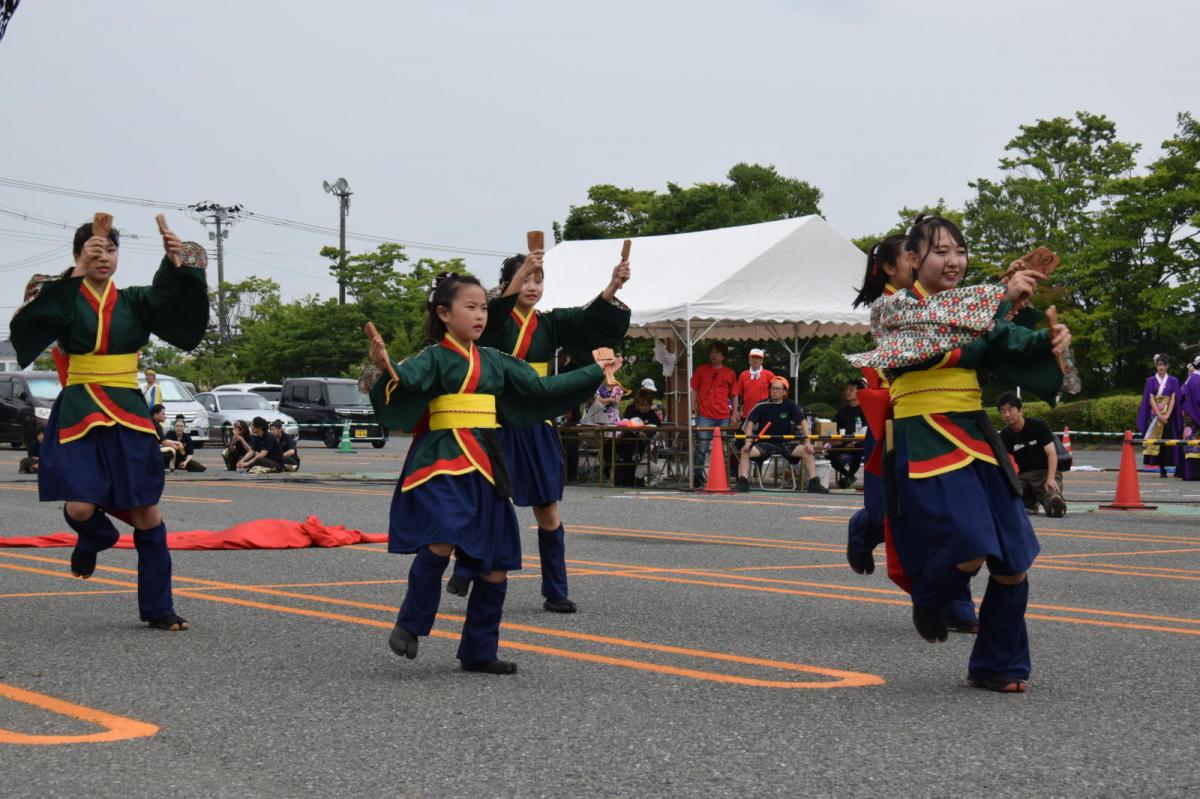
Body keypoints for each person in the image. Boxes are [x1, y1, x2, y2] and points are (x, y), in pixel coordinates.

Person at [847, 214, 1070, 693]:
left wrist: (1048, 342)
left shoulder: (972, 312)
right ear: (911, 258)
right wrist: (998, 295)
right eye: (940, 251)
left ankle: (997, 664)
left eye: (960, 251)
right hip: (922, 432)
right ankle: (932, 596)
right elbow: (940, 321)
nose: (953, 260)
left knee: (1013, 560)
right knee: (969, 543)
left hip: (974, 430)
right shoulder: (893, 309)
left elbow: (1005, 342)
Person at [368, 272, 617, 674]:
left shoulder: (497, 361)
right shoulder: (433, 357)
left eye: (484, 307)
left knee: (497, 562)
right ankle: (410, 623)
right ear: (444, 313)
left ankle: (479, 651)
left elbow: (541, 390)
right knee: (443, 536)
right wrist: (386, 365)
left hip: (486, 460)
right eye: (471, 307)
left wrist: (594, 370)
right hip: (442, 458)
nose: (480, 315)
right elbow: (407, 379)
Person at [8, 215, 208, 631]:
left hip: (128, 409)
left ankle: (159, 609)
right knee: (80, 505)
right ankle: (96, 536)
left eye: (111, 250)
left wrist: (177, 261)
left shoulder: (133, 301)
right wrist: (76, 273)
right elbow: (33, 316)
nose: (105, 258)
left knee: (147, 514)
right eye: (95, 251)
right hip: (80, 406)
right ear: (78, 254)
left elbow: (170, 300)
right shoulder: (64, 295)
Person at [443, 246, 631, 613]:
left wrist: (612, 286)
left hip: (536, 420)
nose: (532, 286)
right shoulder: (491, 321)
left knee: (548, 507)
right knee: (488, 504)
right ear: (508, 284)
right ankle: (467, 564)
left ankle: (555, 590)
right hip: (495, 420)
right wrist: (525, 268)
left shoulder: (549, 323)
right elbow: (494, 316)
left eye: (538, 279)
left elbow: (586, 320)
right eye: (525, 278)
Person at [844, 233, 977, 633]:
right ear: (890, 267)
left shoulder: (932, 297)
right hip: (894, 421)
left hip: (939, 419)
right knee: (898, 512)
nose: (919, 261)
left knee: (947, 513)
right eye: (910, 256)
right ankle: (867, 526)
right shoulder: (892, 306)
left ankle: (954, 598)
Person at [735, 377, 829, 493]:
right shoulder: (761, 405)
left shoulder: (790, 405)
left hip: (785, 443)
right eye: (773, 388)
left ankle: (814, 483)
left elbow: (803, 423)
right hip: (765, 443)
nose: (775, 391)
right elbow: (749, 424)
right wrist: (748, 443)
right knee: (745, 451)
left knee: (807, 450)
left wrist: (807, 442)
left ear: (785, 392)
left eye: (778, 389)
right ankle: (743, 481)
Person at [997, 391, 1065, 517]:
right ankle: (1030, 503)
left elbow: (1051, 454)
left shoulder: (1038, 426)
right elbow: (1002, 461)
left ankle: (1055, 504)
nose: (1007, 414)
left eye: (1010, 410)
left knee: (1050, 494)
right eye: (1003, 411)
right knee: (1008, 496)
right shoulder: (1004, 436)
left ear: (1020, 411)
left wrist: (1050, 478)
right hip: (1023, 476)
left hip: (1046, 472)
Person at [691, 341, 736, 488]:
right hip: (704, 414)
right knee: (701, 447)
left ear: (723, 356)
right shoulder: (701, 370)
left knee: (723, 447)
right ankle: (697, 476)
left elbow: (734, 395)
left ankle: (721, 476)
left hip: (723, 415)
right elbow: (694, 390)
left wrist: (734, 413)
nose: (713, 355)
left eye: (717, 352)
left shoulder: (730, 373)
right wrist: (692, 406)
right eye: (712, 352)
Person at [1137, 354, 1183, 478]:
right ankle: (1161, 468)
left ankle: (1172, 466)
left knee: (1169, 441)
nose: (1161, 367)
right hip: (1155, 416)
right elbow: (1150, 398)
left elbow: (1174, 398)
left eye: (1163, 365)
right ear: (1156, 366)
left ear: (1167, 366)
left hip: (1169, 415)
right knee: (1157, 442)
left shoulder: (1173, 380)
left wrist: (1167, 415)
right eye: (1159, 365)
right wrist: (1159, 415)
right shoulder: (1151, 380)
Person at [614, 385, 664, 486]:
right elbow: (624, 423)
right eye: (642, 405)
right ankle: (616, 476)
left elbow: (656, 430)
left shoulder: (652, 416)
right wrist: (636, 432)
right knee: (608, 447)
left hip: (640, 443)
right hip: (624, 439)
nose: (645, 407)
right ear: (637, 403)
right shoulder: (630, 410)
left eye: (647, 405)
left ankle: (630, 479)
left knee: (631, 451)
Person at [830, 378, 867, 488]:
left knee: (858, 449)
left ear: (859, 392)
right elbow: (835, 427)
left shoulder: (866, 409)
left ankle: (849, 476)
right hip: (844, 441)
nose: (847, 392)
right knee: (831, 452)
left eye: (851, 390)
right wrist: (836, 439)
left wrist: (855, 442)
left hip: (862, 441)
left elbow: (869, 429)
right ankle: (849, 476)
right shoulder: (842, 411)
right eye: (846, 390)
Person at [731, 347, 775, 427]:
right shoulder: (743, 375)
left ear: (762, 360)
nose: (755, 360)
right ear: (749, 359)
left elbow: (776, 393)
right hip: (747, 414)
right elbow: (739, 395)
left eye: (758, 358)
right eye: (753, 357)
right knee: (746, 437)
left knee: (763, 438)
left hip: (764, 413)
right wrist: (737, 411)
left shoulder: (769, 375)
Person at [1179, 356, 1200, 481]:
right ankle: (1195, 474)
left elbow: (1182, 396)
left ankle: (1187, 472)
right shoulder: (1197, 379)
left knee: (1189, 443)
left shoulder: (1190, 378)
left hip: (1188, 415)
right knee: (1196, 444)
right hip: (1196, 414)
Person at [151, 405, 183, 471]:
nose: (165, 416)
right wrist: (175, 447)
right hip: (150, 451)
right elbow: (164, 442)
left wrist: (178, 443)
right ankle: (163, 468)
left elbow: (162, 440)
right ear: (156, 414)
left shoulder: (150, 421)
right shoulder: (157, 425)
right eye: (163, 414)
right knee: (170, 450)